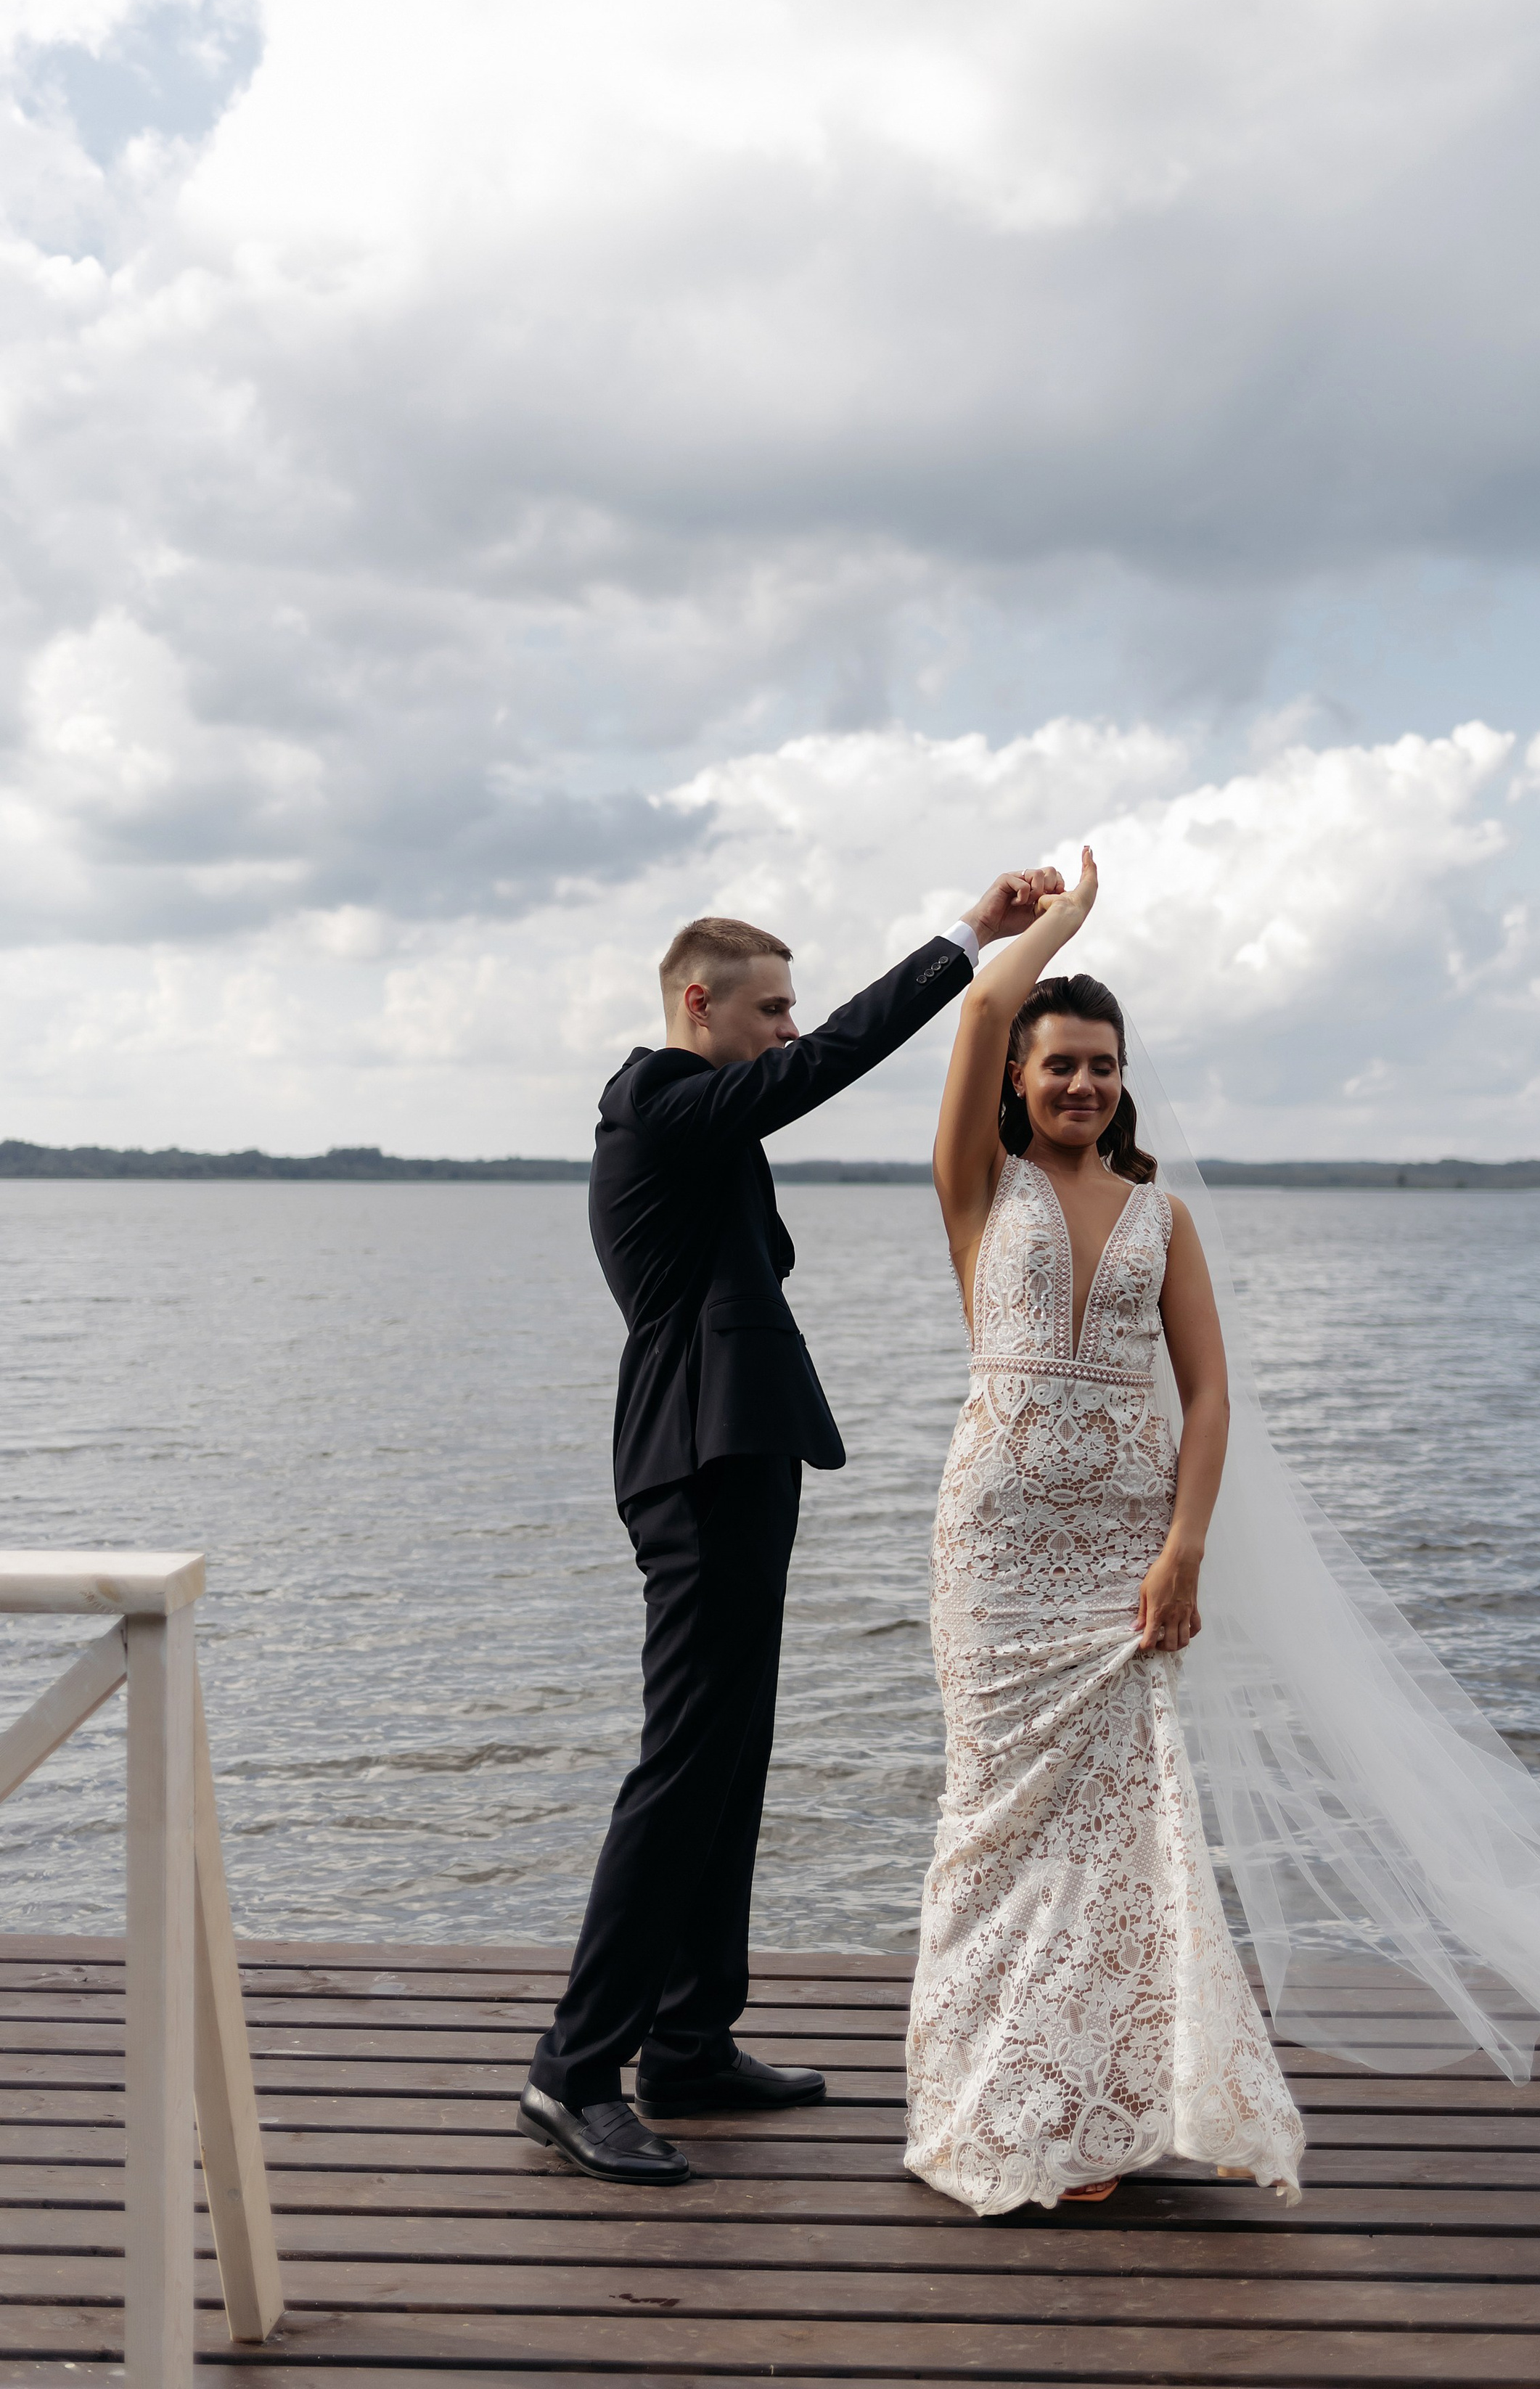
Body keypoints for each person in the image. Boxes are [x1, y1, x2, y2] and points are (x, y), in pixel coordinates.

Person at [521, 868, 1063, 2187]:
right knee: (683, 1761)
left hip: (738, 1451)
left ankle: (689, 2041)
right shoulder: (658, 1102)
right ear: (696, 1005)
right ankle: (573, 2071)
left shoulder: (699, 1121)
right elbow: (821, 1068)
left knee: (731, 1754)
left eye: (790, 1008)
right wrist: (966, 942)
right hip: (696, 1460)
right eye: (769, 1009)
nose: (787, 1028)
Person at [904, 848, 1307, 2213]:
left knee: (1121, 1839)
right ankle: (988, 2101)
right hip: (997, 1553)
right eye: (1060, 1065)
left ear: (1125, 1080)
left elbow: (1210, 1397)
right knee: (992, 1823)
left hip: (1124, 1558)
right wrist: (1060, 923)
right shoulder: (977, 1187)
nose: (1082, 1084)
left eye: (1103, 1066)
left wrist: (1184, 1549)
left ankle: (1097, 2109)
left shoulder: (1161, 1216)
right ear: (1019, 1079)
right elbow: (975, 1005)